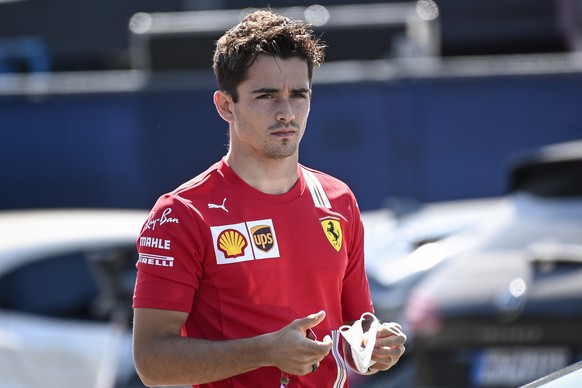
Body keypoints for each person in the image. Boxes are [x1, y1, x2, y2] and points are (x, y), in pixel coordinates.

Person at [132, 8, 406, 388]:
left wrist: (373, 346)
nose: (287, 112)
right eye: (266, 96)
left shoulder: (338, 200)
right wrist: (264, 351)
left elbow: (352, 330)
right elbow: (151, 363)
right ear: (226, 105)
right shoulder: (182, 213)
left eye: (299, 94)